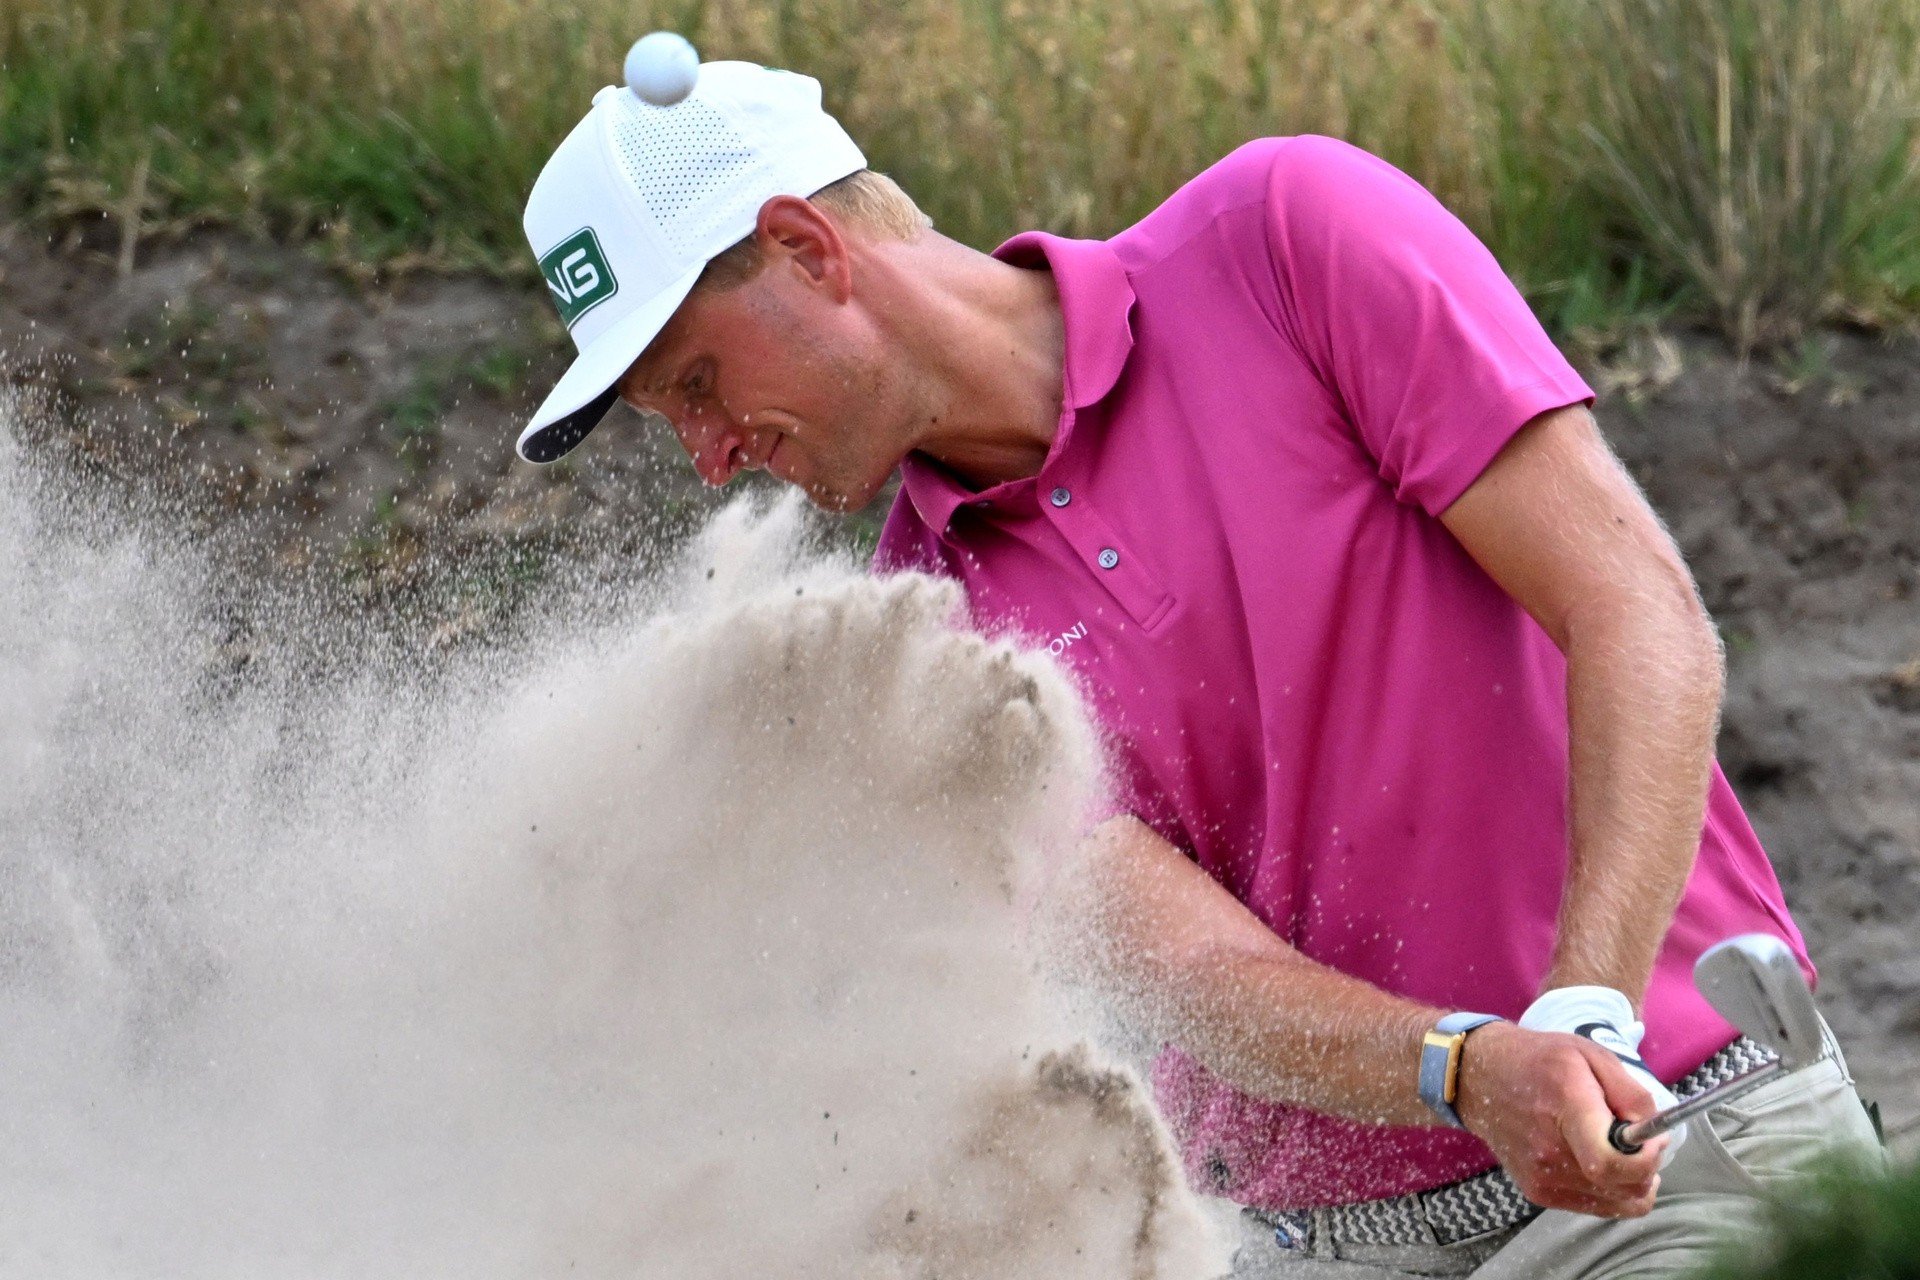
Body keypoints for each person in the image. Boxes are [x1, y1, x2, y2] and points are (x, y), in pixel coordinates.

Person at [513, 60, 1886, 1277]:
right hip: (1328, 1246)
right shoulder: (923, 646)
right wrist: (1467, 1072)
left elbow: (1634, 611)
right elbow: (1188, 971)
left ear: (808, 250)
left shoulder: (1288, 239)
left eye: (693, 382)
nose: (704, 454)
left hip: (1679, 1150)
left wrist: (1586, 1017)